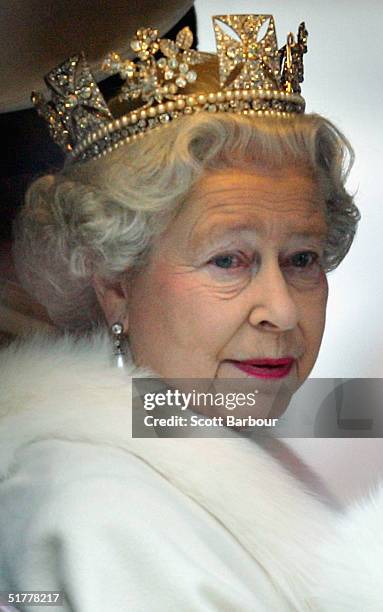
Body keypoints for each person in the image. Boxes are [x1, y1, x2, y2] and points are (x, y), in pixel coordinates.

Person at [0, 12, 382, 611]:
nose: (281, 311)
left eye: (302, 258)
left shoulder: (252, 453)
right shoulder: (94, 511)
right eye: (229, 260)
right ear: (115, 282)